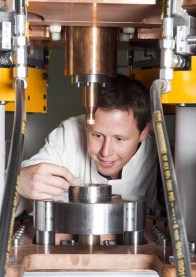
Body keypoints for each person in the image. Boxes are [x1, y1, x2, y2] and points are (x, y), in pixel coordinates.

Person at [17, 75, 158, 210]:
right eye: (98, 135)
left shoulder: (158, 150)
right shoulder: (69, 135)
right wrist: (17, 182)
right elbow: (21, 194)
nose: (106, 152)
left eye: (119, 139)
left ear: (143, 133)